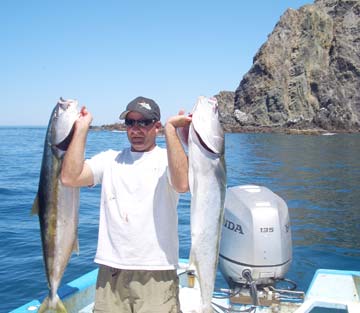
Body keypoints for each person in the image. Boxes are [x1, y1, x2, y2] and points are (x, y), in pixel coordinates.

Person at [61, 96, 192, 313]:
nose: (136, 129)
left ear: (156, 126)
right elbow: (70, 178)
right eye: (130, 123)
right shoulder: (109, 160)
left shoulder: (167, 160)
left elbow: (182, 183)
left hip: (156, 272)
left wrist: (171, 130)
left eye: (144, 123)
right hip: (110, 272)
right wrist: (82, 128)